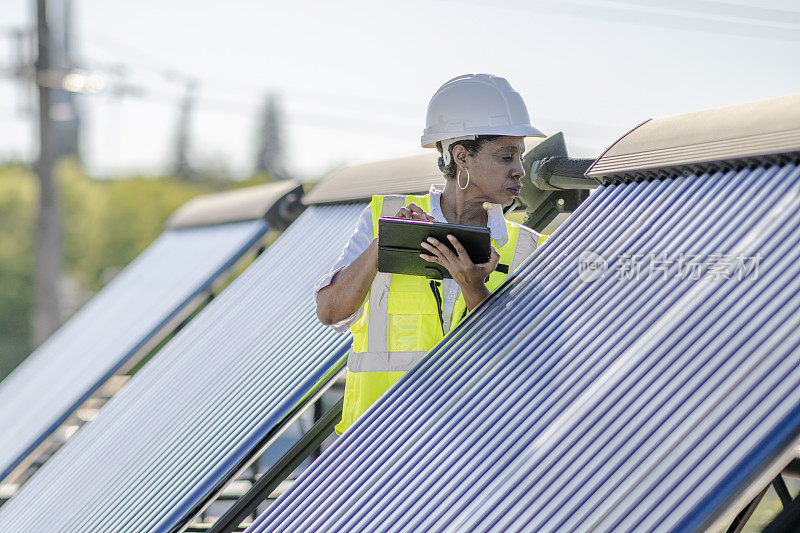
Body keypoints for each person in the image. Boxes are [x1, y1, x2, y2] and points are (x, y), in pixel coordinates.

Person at [314, 73, 548, 434]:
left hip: (470, 452)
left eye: (520, 155)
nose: (520, 170)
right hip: (374, 456)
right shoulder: (383, 217)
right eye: (506, 156)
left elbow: (526, 364)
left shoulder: (528, 249)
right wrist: (386, 243)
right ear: (461, 156)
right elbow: (330, 313)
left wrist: (474, 289)